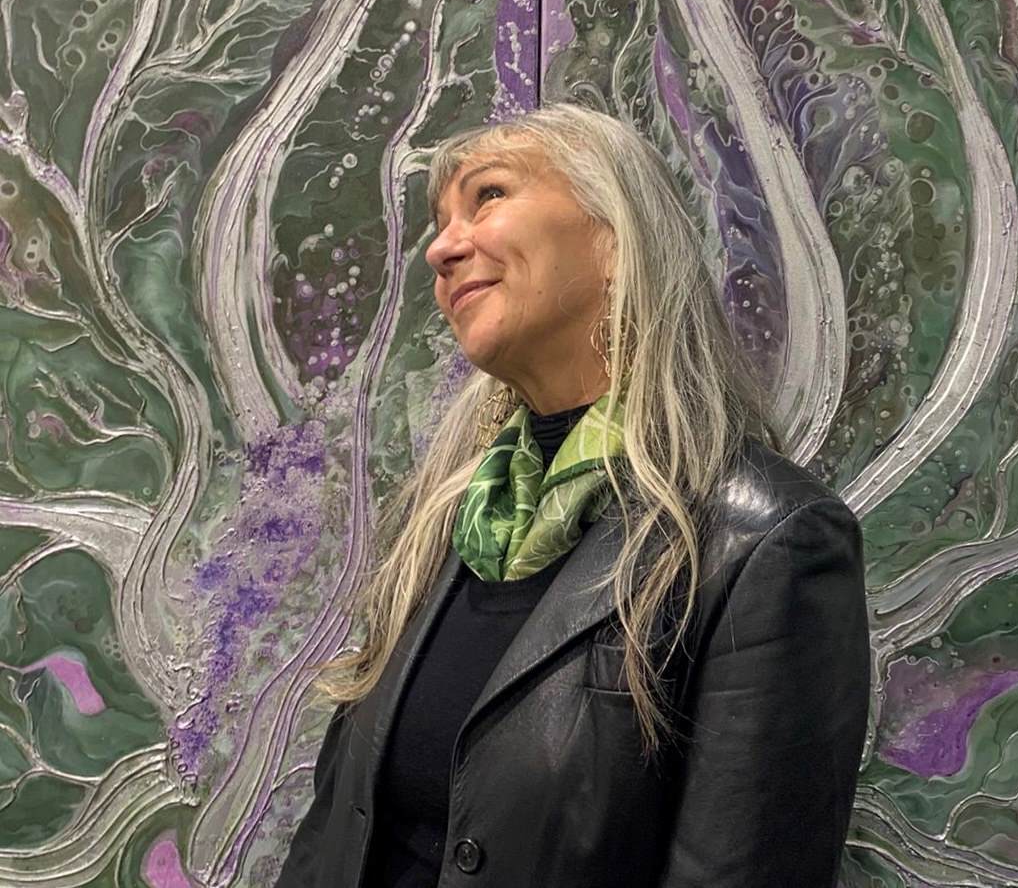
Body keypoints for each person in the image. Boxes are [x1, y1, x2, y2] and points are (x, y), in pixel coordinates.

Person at [276, 102, 870, 887]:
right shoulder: (454, 517)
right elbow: (332, 834)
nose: (442, 248)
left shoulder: (764, 543)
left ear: (615, 238)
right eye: (438, 222)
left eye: (488, 195)